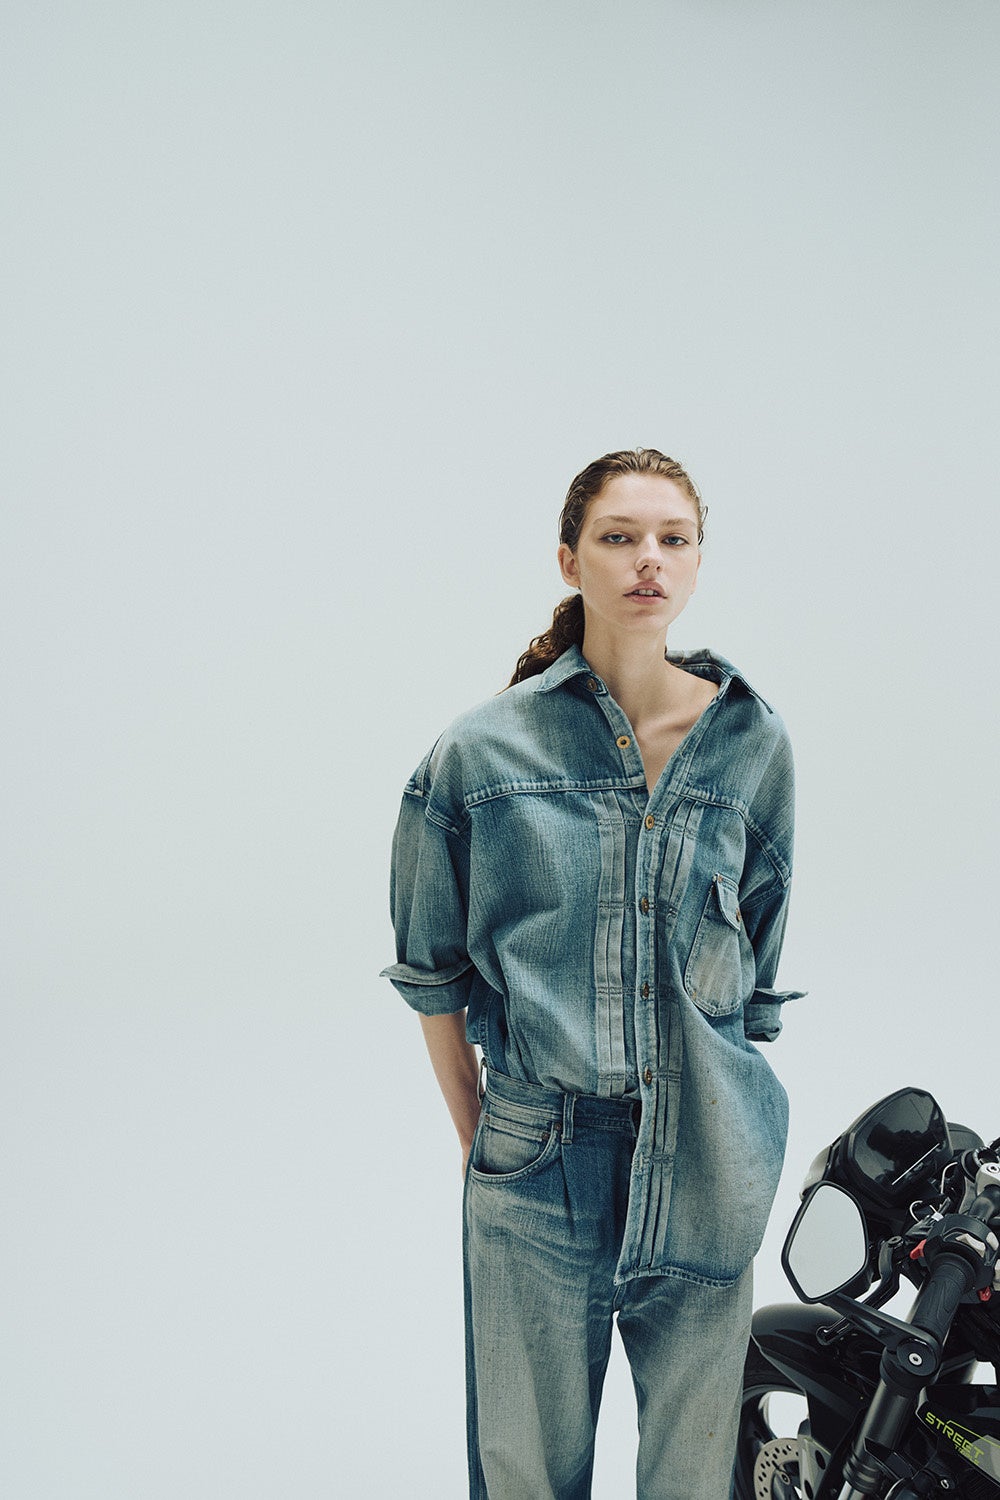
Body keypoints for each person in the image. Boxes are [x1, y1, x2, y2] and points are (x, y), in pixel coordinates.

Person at [381, 448, 803, 1499]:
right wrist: (487, 1138)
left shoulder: (752, 743)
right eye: (619, 537)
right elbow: (432, 975)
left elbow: (753, 985)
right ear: (570, 561)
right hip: (538, 1160)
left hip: (707, 1155)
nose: (648, 559)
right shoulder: (480, 754)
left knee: (695, 1478)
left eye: (673, 538)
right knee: (528, 1476)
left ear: (698, 561)